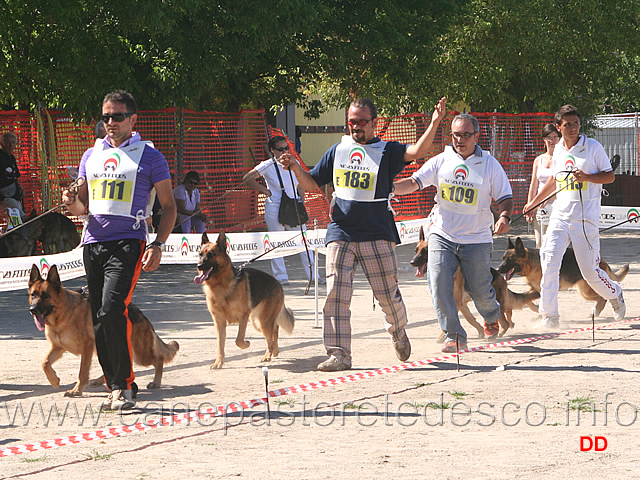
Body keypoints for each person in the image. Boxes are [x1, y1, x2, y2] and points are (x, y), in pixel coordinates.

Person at [279, 96, 447, 371]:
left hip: (377, 232)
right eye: (351, 121)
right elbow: (312, 183)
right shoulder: (337, 150)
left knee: (387, 295)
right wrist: (296, 169)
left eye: (361, 122)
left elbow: (417, 151)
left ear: (374, 123)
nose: (356, 126)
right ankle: (339, 354)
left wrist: (435, 122)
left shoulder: (387, 150)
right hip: (341, 231)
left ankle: (398, 331)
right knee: (335, 294)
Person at [62, 90, 177, 410]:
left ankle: (125, 385)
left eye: (118, 116)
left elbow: (169, 208)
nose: (110, 122)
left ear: (133, 119)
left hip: (129, 242)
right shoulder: (91, 155)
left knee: (113, 308)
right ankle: (115, 385)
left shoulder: (150, 156)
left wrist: (159, 244)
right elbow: (81, 207)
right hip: (93, 242)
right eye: (106, 117)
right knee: (98, 315)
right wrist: (72, 202)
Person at [394, 113, 513, 353]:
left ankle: (491, 316)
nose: (460, 139)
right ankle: (454, 335)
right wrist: (387, 187)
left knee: (480, 289)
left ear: (476, 137)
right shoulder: (442, 160)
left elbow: (505, 197)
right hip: (442, 234)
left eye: (466, 135)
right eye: (456, 134)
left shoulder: (489, 164)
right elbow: (415, 182)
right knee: (438, 283)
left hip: (477, 238)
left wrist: (504, 216)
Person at [524, 104, 625, 328]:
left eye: (576, 124)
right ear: (558, 127)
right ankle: (549, 315)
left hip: (585, 219)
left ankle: (615, 293)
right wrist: (533, 202)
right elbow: (553, 180)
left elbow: (609, 177)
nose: (572, 128)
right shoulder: (558, 149)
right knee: (548, 260)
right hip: (560, 216)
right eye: (567, 124)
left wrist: (587, 177)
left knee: (589, 271)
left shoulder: (592, 147)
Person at [243, 136, 320, 286]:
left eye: (286, 148)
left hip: (294, 207)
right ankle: (281, 278)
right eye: (280, 149)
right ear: (272, 151)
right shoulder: (267, 165)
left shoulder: (294, 162)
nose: (284, 152)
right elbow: (247, 178)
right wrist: (266, 191)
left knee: (304, 242)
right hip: (275, 208)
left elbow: (301, 183)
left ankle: (314, 275)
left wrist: (301, 201)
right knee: (276, 243)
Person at [526, 123, 560, 248]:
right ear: (544, 139)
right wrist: (531, 206)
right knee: (540, 244)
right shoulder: (538, 160)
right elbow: (534, 184)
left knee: (555, 244)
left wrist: (549, 198)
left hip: (558, 206)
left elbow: (561, 183)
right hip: (540, 208)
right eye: (549, 137)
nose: (552, 141)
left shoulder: (563, 158)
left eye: (555, 137)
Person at [0, 132, 25, 218]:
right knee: (16, 207)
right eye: (8, 143)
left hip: (13, 194)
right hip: (4, 195)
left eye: (13, 143)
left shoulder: (11, 158)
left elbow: (15, 176)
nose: (11, 145)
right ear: (2, 144)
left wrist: (19, 188)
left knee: (17, 205)